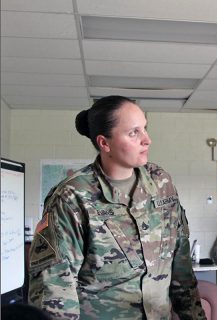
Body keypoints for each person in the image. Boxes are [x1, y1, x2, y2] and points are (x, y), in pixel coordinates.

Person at [28, 96, 206, 319]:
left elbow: (182, 267)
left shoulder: (161, 183)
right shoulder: (72, 197)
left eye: (145, 129)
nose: (147, 140)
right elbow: (55, 288)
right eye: (134, 132)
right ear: (104, 143)